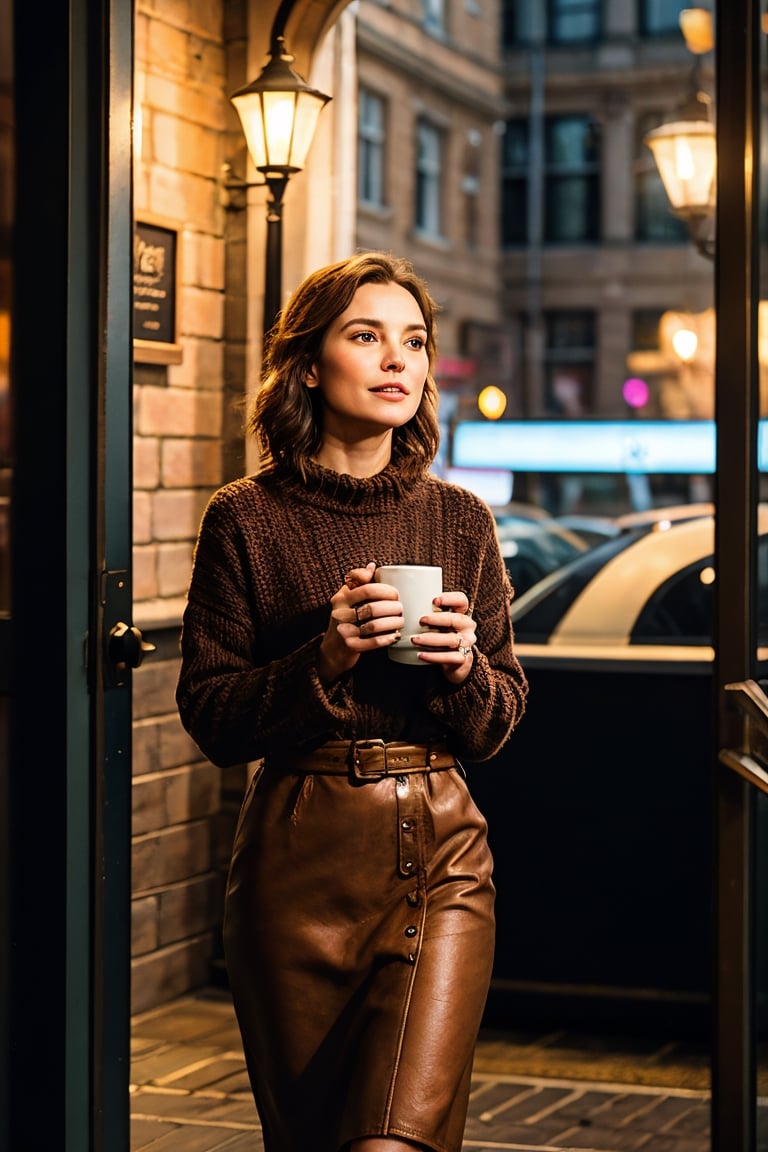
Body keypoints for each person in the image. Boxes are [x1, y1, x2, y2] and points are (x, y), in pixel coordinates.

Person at [176, 251, 529, 1152]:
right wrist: (324, 656)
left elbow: (496, 719)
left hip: (443, 852)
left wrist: (461, 670)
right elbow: (213, 717)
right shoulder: (244, 518)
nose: (396, 361)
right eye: (365, 336)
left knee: (390, 1139)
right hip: (297, 866)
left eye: (413, 341)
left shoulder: (461, 519)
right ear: (306, 363)